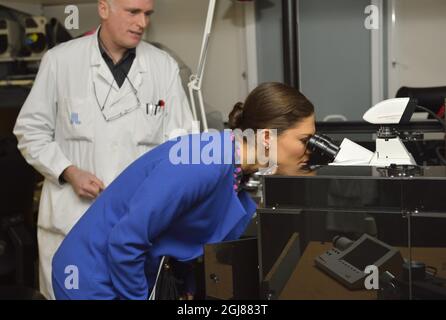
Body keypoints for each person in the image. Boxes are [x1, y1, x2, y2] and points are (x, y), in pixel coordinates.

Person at [51, 82, 316, 300]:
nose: (309, 151)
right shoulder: (203, 161)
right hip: (89, 277)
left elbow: (182, 234)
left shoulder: (236, 175)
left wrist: (185, 287)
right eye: (304, 141)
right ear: (268, 138)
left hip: (128, 274)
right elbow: (126, 240)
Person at [13, 0, 193, 299]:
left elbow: (180, 142)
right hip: (71, 218)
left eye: (148, 14)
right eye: (133, 12)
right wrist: (69, 171)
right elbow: (30, 130)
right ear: (104, 8)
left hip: (136, 227)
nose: (142, 23)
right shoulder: (61, 61)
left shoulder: (162, 66)